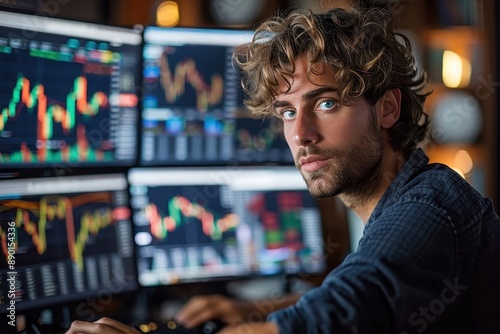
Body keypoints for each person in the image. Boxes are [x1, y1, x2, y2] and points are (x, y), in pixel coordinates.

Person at [66, 2, 500, 334]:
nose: (301, 134)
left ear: (386, 108)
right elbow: (346, 291)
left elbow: (340, 311)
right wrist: (254, 311)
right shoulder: (401, 204)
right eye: (287, 112)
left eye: (325, 103)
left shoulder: (431, 208)